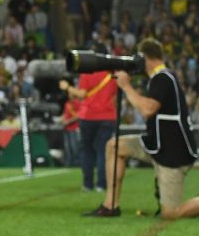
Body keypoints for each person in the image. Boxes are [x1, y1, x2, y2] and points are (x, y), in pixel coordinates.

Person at [85, 39, 199, 218]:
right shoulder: (160, 77)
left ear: (144, 57)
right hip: (155, 145)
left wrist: (126, 86)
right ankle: (110, 205)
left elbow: (147, 109)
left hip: (172, 153)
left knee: (171, 213)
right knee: (114, 146)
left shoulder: (163, 77)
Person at [60, 43, 118, 192]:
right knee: (102, 151)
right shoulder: (112, 73)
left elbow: (81, 94)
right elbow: (115, 95)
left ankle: (87, 184)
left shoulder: (87, 73)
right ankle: (102, 184)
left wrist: (67, 87)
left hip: (88, 116)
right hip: (107, 116)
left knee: (87, 150)